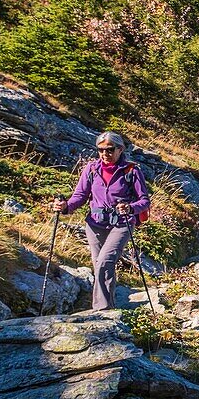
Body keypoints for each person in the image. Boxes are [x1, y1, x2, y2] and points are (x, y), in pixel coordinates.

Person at [52, 132, 150, 310]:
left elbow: (144, 201)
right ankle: (108, 306)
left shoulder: (131, 171)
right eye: (101, 150)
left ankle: (101, 310)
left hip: (122, 224)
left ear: (120, 150)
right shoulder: (91, 169)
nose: (105, 154)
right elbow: (80, 196)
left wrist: (130, 208)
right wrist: (66, 206)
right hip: (95, 224)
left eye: (110, 150)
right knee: (100, 266)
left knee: (105, 261)